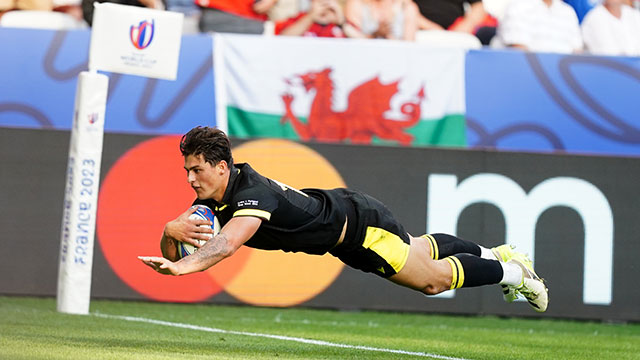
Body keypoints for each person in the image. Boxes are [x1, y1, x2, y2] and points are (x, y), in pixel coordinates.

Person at [138, 126, 549, 312]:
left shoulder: (249, 195)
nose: (190, 178)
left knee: (432, 280)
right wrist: (168, 234)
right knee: (420, 248)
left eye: (198, 170)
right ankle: (496, 253)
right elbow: (176, 249)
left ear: (222, 166)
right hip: (348, 223)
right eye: (187, 171)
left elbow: (225, 245)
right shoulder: (213, 196)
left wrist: (181, 267)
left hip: (359, 230)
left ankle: (514, 274)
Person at [491, 0, 583, 54]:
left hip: (564, 80)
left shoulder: (568, 12)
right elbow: (519, 53)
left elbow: (577, 53)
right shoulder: (518, 7)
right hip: (530, 78)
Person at [412, 0, 497, 45]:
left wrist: (465, 25)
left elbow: (478, 7)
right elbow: (403, 5)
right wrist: (431, 27)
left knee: (472, 44)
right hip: (417, 31)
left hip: (456, 33)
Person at [343, 0, 420, 40]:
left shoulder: (407, 7)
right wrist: (374, 36)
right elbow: (352, 41)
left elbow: (409, 46)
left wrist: (388, 37)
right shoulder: (357, 3)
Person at [275, 0, 357, 37]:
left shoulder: (342, 23)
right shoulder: (300, 19)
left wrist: (342, 23)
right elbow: (283, 38)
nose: (325, 7)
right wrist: (311, 17)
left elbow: (364, 43)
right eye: (320, 2)